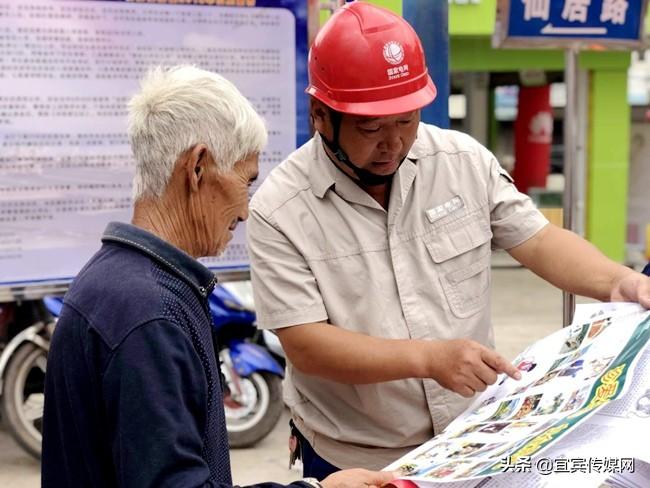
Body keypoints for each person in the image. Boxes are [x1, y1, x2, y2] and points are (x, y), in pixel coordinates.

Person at [246, 1, 650, 476]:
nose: (392, 143)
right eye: (371, 126)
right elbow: (307, 344)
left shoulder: (460, 162)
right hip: (357, 457)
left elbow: (538, 240)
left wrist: (619, 281)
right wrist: (428, 358)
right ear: (320, 114)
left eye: (406, 120)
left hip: (476, 439)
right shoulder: (280, 209)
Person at [41, 65, 397, 488]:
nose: (246, 210)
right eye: (246, 181)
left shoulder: (117, 279)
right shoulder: (148, 313)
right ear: (197, 168)